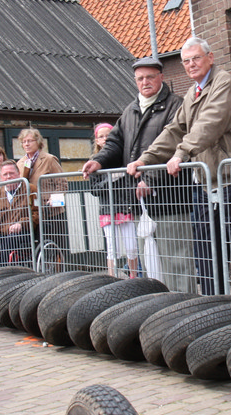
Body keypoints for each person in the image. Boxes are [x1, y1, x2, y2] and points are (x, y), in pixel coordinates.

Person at [127, 37, 231, 300]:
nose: (191, 64)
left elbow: (210, 124)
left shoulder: (223, 83)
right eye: (186, 61)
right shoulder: (193, 93)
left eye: (196, 58)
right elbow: (175, 129)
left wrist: (181, 153)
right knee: (207, 245)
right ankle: (213, 302)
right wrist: (146, 158)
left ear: (210, 58)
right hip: (205, 178)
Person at [82, 57, 195, 292]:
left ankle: (184, 307)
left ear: (161, 77)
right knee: (150, 265)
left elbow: (172, 145)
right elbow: (115, 143)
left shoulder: (176, 105)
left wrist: (150, 180)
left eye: (150, 77)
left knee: (177, 262)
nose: (145, 82)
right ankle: (158, 308)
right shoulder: (130, 111)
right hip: (139, 202)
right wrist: (98, 161)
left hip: (171, 200)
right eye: (140, 78)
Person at [89, 122, 139, 278]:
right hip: (107, 210)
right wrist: (110, 179)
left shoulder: (123, 158)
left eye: (108, 135)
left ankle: (134, 277)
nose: (105, 139)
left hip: (125, 207)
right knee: (113, 249)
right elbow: (94, 189)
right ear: (97, 140)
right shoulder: (94, 161)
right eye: (101, 136)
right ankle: (112, 279)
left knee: (132, 247)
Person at [17, 128, 67, 259]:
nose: (27, 144)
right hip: (32, 212)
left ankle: (61, 267)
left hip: (51, 212)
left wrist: (53, 200)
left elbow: (62, 183)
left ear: (38, 142)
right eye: (24, 141)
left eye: (30, 141)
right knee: (37, 247)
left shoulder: (49, 159)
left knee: (56, 246)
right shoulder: (20, 163)